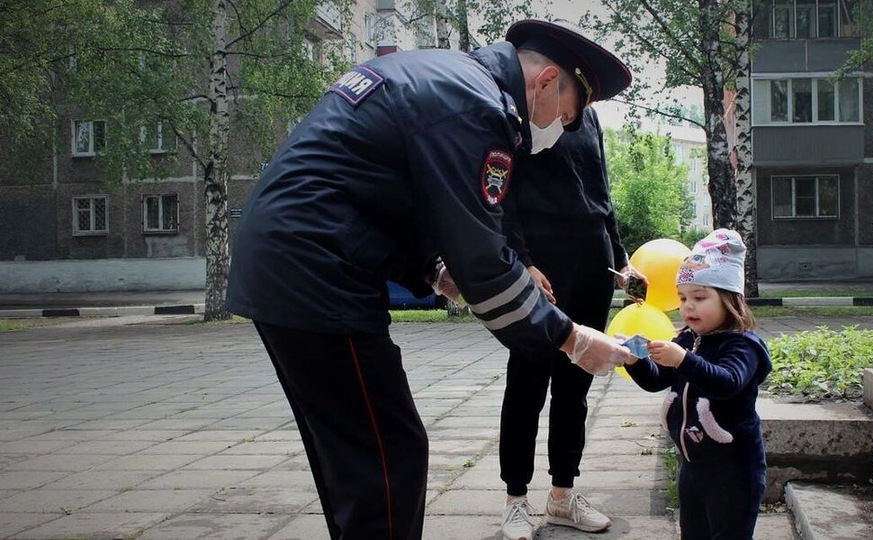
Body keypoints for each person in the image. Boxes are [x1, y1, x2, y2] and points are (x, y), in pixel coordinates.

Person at [225, 19, 635, 540]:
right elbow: (484, 259)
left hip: (291, 260)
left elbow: (381, 197)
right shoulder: (480, 106)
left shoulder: (443, 77)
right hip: (318, 270)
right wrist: (571, 339)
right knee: (389, 459)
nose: (557, 129)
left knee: (356, 460)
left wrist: (436, 271)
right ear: (547, 80)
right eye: (566, 116)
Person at [497, 104, 634, 540]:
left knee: (575, 387)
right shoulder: (516, 112)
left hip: (592, 260)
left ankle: (561, 497)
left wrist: (622, 261)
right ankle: (516, 502)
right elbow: (502, 194)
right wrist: (523, 261)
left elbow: (602, 191)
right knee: (526, 385)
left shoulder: (588, 117)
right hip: (542, 263)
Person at [621, 229, 773, 540]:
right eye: (683, 298)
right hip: (692, 465)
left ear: (730, 299)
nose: (688, 306)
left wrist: (682, 360)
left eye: (700, 297)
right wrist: (634, 360)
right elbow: (658, 380)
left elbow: (727, 383)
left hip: (734, 470)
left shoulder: (743, 346)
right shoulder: (689, 339)